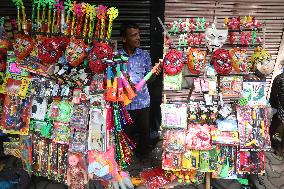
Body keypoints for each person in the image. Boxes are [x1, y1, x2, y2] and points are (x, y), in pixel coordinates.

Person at [118, 21, 161, 156]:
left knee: (144, 136)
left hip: (142, 102)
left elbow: (150, 80)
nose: (138, 38)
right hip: (124, 104)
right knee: (125, 135)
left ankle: (144, 159)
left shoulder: (144, 55)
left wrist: (154, 73)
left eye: (138, 35)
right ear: (124, 39)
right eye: (133, 35)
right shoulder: (117, 56)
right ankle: (125, 160)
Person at [269, 69, 284, 156]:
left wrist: (274, 106)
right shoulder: (280, 78)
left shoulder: (279, 77)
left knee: (274, 126)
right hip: (281, 111)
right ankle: (279, 150)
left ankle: (271, 141)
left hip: (278, 110)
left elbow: (273, 95)